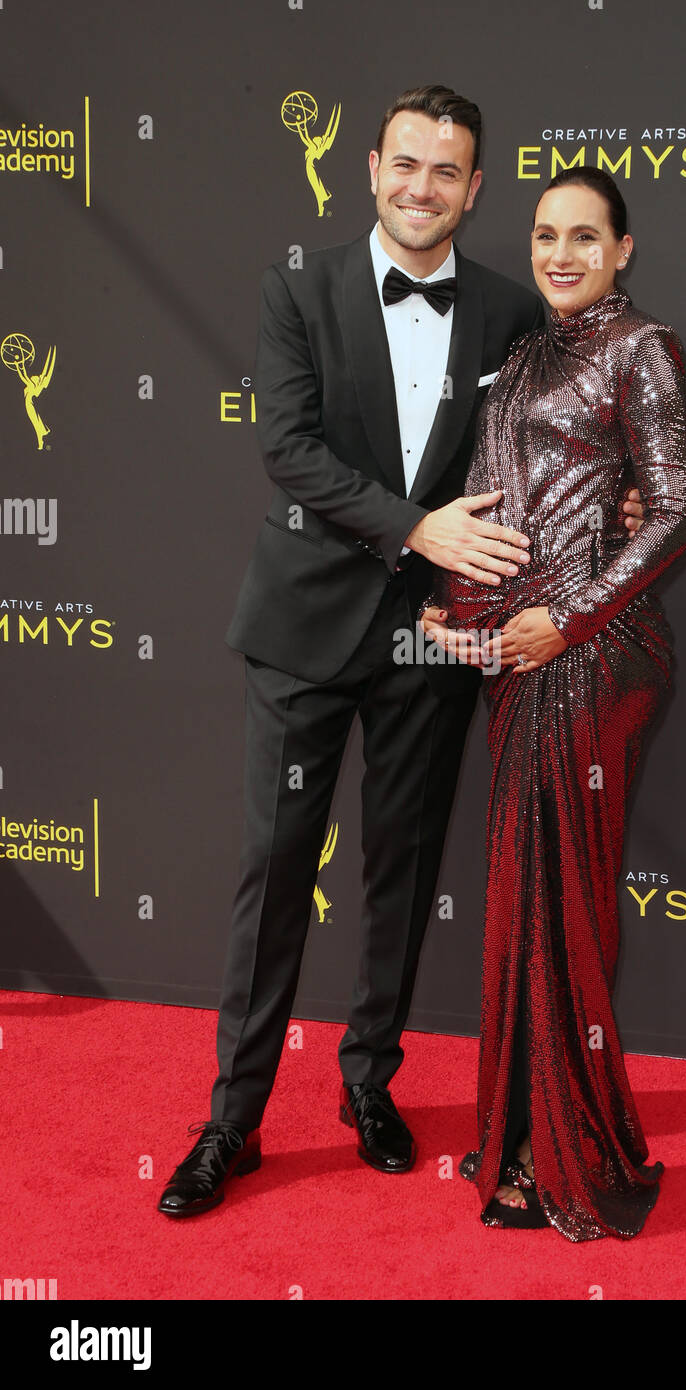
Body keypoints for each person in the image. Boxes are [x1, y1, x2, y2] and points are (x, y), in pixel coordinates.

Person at [157, 88, 645, 1217]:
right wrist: (414, 527)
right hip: (302, 633)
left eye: (449, 171)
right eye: (407, 163)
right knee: (274, 877)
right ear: (371, 165)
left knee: (400, 872)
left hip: (436, 638)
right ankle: (232, 1120)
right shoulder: (300, 288)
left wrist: (618, 505)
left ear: (476, 190)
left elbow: (555, 449)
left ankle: (369, 1082)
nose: (423, 187)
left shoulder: (515, 311)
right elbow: (287, 446)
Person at [420, 166, 686, 1240]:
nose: (563, 254)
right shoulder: (528, 352)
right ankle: (534, 1136)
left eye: (587, 236)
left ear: (625, 248)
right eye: (545, 235)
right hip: (521, 653)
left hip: (594, 655)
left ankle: (565, 1157)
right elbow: (501, 502)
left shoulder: (645, 347)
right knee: (528, 900)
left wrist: (566, 619)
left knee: (561, 905)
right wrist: (460, 613)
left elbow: (671, 516)